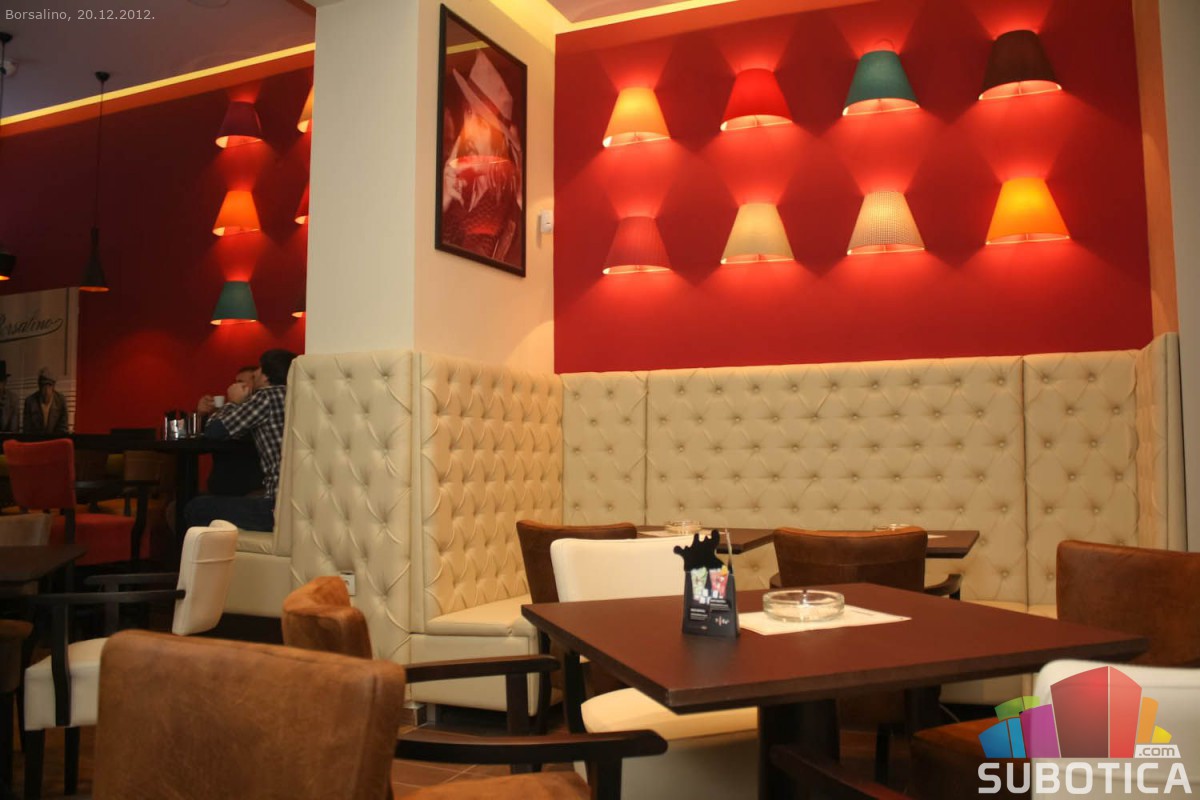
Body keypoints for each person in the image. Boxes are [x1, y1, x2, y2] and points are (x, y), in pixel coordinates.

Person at [183, 349, 296, 533]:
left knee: (195, 507)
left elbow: (214, 431)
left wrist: (233, 402)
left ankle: (202, 553)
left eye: (258, 369)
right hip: (299, 504)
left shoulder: (266, 397)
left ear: (266, 376)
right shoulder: (298, 395)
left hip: (275, 508)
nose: (254, 374)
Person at [196, 365, 264, 496]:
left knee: (191, 505)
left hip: (246, 488)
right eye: (235, 382)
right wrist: (202, 415)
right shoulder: (231, 413)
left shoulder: (257, 410)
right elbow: (207, 435)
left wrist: (232, 404)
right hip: (222, 487)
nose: (234, 386)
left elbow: (216, 432)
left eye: (240, 382)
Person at [22, 368, 68, 434]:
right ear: (39, 386)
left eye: (49, 385)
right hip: (35, 439)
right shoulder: (30, 402)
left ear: (54, 386)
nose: (46, 390)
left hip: (56, 439)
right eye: (43, 385)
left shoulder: (61, 400)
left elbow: (63, 429)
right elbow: (27, 430)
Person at [0, 361, 18, 432]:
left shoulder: (13, 399)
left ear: (5, 382)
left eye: (0, 381)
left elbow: (13, 430)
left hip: (7, 438)